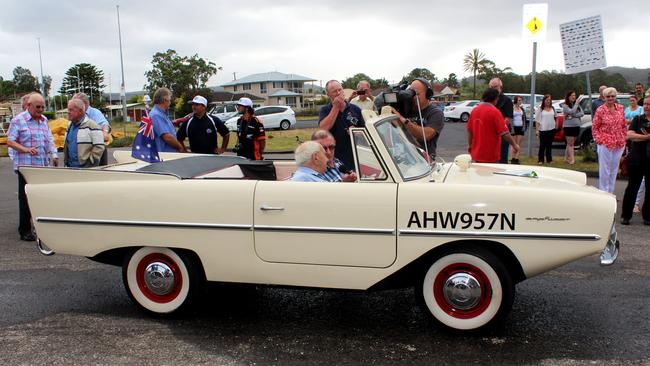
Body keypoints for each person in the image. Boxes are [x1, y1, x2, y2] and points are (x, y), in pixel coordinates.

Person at [6, 93, 58, 241]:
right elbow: (10, 141)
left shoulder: (44, 120)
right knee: (25, 198)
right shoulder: (18, 121)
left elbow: (49, 139)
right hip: (26, 167)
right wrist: (25, 149)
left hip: (42, 166)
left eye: (42, 107)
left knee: (40, 197)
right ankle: (25, 230)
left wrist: (54, 155)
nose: (41, 109)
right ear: (28, 106)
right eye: (38, 107)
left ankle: (40, 227)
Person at [391, 78, 444, 161]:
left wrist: (403, 120)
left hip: (423, 161)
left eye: (416, 94)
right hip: (402, 160)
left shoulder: (435, 113)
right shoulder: (405, 109)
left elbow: (426, 135)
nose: (413, 97)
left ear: (428, 94)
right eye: (410, 93)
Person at [319, 80, 365, 168]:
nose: (338, 93)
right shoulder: (325, 110)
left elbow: (365, 133)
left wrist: (355, 132)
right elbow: (323, 129)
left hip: (355, 157)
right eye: (334, 91)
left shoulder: (355, 109)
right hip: (334, 158)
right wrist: (336, 107)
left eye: (340, 90)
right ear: (328, 94)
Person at [466, 88, 519, 163]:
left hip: (477, 153)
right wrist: (514, 145)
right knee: (491, 173)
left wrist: (470, 145)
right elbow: (505, 133)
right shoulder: (495, 112)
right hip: (491, 154)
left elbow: (469, 130)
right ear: (496, 98)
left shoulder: (474, 111)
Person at [620, 96, 650, 225]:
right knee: (632, 187)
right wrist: (647, 137)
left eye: (649, 104)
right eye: (645, 104)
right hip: (636, 158)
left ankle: (648, 216)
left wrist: (640, 137)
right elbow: (629, 135)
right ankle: (626, 215)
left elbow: (635, 137)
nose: (647, 106)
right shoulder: (638, 119)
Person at [592, 87, 627, 194]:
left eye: (613, 96)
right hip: (605, 143)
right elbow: (595, 127)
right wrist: (599, 140)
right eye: (608, 96)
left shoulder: (620, 108)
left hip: (619, 143)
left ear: (615, 97)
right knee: (604, 170)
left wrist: (624, 137)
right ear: (604, 97)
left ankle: (610, 192)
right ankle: (603, 193)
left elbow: (623, 124)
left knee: (614, 169)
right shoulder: (600, 110)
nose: (611, 98)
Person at [63, 99, 105, 167]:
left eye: (71, 110)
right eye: (68, 109)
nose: (68, 112)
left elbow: (99, 147)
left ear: (80, 111)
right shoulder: (69, 126)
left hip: (86, 170)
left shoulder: (92, 125)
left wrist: (90, 163)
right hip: (70, 169)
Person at [72, 92, 111, 165]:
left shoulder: (95, 113)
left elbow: (104, 124)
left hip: (95, 150)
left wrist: (105, 132)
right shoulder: (74, 114)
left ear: (85, 103)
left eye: (76, 104)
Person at [150, 87, 185, 153]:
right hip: (164, 156)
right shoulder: (156, 115)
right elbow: (167, 137)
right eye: (170, 100)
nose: (170, 102)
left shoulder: (161, 114)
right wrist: (180, 147)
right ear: (165, 99)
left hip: (166, 155)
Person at [488, 78, 514, 164]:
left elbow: (508, 119)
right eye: (491, 87)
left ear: (500, 87)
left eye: (495, 87)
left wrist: (497, 130)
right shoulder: (487, 101)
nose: (493, 89)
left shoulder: (507, 100)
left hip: (502, 136)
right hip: (489, 135)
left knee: (502, 160)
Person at [535, 94, 558, 165]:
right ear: (544, 100)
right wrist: (537, 130)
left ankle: (549, 160)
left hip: (551, 129)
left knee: (549, 145)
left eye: (549, 100)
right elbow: (537, 120)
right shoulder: (540, 109)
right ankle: (540, 160)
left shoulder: (553, 108)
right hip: (543, 130)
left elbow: (556, 117)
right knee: (542, 145)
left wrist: (556, 125)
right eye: (547, 100)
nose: (548, 101)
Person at [562, 90, 584, 165]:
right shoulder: (565, 105)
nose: (574, 97)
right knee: (570, 144)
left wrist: (573, 115)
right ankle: (572, 159)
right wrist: (576, 105)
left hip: (576, 126)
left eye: (574, 95)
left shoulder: (576, 105)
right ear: (568, 97)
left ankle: (565, 158)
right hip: (568, 127)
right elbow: (571, 111)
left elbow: (582, 113)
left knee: (570, 143)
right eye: (572, 96)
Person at [510, 95, 527, 164]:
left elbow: (524, 119)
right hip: (514, 128)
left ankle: (516, 159)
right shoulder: (512, 108)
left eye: (521, 100)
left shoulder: (522, 109)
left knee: (518, 144)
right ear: (516, 100)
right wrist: (512, 128)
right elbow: (510, 119)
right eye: (519, 100)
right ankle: (512, 158)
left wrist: (524, 127)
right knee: (513, 144)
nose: (520, 101)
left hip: (520, 128)